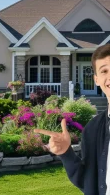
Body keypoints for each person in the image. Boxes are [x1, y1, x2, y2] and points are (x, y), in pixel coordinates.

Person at [34, 44, 110, 195]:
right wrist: (66, 153)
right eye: (104, 71)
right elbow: (87, 181)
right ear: (96, 80)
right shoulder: (93, 130)